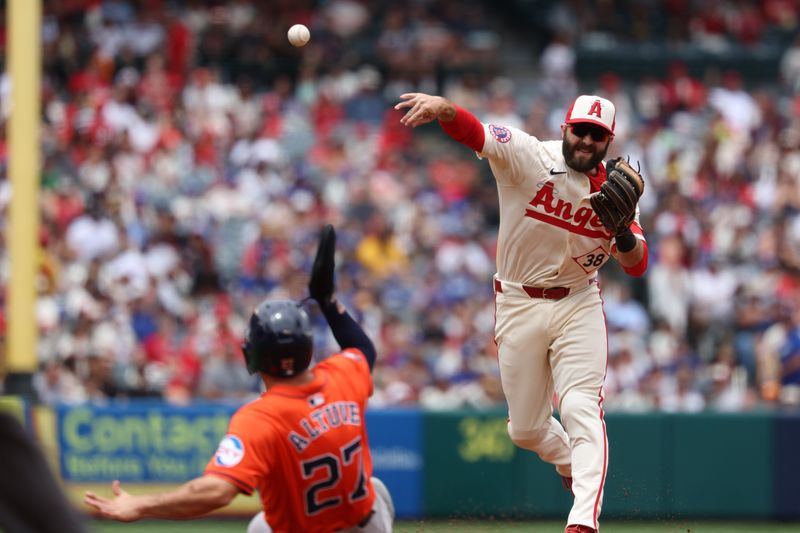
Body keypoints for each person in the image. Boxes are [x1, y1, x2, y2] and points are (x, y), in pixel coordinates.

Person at [394, 92, 648, 533]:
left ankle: (582, 522)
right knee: (525, 430)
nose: (587, 141)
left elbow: (637, 264)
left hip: (577, 301)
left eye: (597, 135)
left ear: (609, 140)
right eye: (580, 130)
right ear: (565, 128)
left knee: (580, 407)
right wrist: (446, 110)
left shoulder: (617, 191)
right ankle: (570, 459)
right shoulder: (530, 156)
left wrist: (623, 229)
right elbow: (477, 133)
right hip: (518, 301)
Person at [84, 225, 395, 533]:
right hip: (364, 525)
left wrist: (141, 504)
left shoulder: (261, 419)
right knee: (375, 488)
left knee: (260, 528)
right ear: (307, 347)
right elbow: (362, 348)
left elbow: (217, 492)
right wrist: (327, 302)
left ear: (254, 356)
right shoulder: (343, 375)